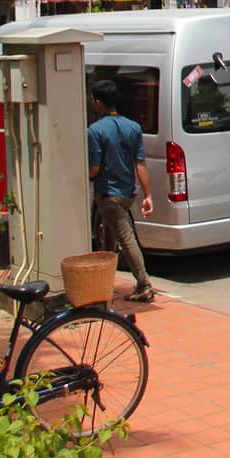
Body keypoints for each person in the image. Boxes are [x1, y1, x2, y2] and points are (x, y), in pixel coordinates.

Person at [86, 78, 155, 302]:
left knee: (125, 238)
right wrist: (148, 195)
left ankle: (144, 283)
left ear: (97, 103)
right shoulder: (133, 127)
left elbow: (94, 168)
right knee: (108, 233)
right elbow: (140, 164)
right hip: (128, 194)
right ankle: (105, 283)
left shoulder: (95, 131)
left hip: (108, 193)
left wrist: (81, 176)